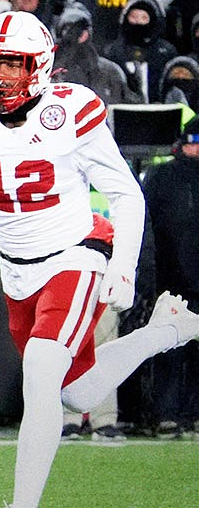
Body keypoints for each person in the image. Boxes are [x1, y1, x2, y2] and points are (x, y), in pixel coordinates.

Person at [0, 11, 199, 508]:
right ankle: (166, 331)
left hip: (76, 253)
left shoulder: (70, 112)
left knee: (41, 370)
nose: (0, 78)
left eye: (12, 66)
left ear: (38, 66)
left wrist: (123, 265)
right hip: (16, 269)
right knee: (77, 393)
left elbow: (126, 195)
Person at [142, 116, 199, 438]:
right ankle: (166, 413)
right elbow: (148, 226)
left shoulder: (163, 175)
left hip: (182, 277)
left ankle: (190, 413)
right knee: (169, 349)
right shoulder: (163, 175)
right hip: (171, 280)